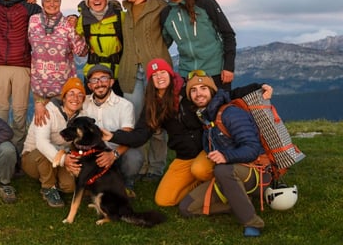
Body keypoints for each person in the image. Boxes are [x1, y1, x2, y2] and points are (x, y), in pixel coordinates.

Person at [105, 58, 214, 206]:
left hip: (206, 151)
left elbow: (212, 99)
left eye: (163, 72)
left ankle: (216, 182)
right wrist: (113, 135)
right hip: (185, 157)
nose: (159, 77)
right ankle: (204, 188)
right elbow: (140, 135)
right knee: (164, 200)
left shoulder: (187, 91)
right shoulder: (154, 104)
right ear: (150, 81)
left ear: (170, 73)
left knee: (199, 170)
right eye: (154, 75)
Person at [179, 72, 266, 238]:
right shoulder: (205, 118)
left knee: (222, 170)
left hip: (255, 171)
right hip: (228, 174)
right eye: (194, 90)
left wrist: (226, 156)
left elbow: (252, 148)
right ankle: (239, 201)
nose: (199, 94)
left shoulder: (230, 113)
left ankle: (252, 222)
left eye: (203, 88)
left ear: (212, 91)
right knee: (187, 208)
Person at [116, 0, 171, 180]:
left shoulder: (160, 6)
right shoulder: (126, 10)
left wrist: (156, 50)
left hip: (156, 71)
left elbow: (169, 34)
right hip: (131, 72)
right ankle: (138, 165)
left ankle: (156, 168)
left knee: (157, 121)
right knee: (134, 120)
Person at [0, 0, 42, 154]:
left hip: (22, 65)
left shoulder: (29, 7)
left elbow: (43, 19)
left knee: (20, 113)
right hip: (0, 65)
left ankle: (18, 154)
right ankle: (1, 153)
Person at [161, 0, 237, 90]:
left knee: (219, 108)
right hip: (187, 74)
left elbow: (228, 34)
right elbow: (163, 44)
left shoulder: (204, 3)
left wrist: (228, 67)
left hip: (215, 71)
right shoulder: (166, 13)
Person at [21, 77, 88, 208]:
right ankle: (48, 187)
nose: (76, 98)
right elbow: (41, 143)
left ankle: (56, 178)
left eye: (80, 95)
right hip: (33, 158)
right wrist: (64, 160)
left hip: (61, 156)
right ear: (63, 97)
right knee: (44, 151)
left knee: (70, 186)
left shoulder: (81, 116)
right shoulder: (47, 111)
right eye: (71, 94)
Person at [80, 64, 143, 197]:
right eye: (94, 80)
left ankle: (127, 182)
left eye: (103, 78)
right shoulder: (83, 103)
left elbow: (128, 136)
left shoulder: (124, 105)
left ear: (111, 82)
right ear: (90, 85)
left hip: (116, 152)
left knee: (134, 157)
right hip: (92, 155)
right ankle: (94, 183)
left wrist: (113, 155)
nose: (99, 84)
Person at [28, 0, 86, 126]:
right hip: (39, 86)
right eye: (48, 0)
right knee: (41, 126)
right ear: (42, 2)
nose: (52, 4)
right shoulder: (33, 20)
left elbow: (81, 51)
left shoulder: (68, 23)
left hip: (63, 87)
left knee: (62, 128)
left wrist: (77, 28)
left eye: (56, 0)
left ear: (60, 2)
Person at [75, 0, 125, 97]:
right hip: (93, 74)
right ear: (87, 1)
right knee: (90, 110)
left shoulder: (120, 17)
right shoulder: (83, 20)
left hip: (117, 74)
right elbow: (73, 37)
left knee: (117, 110)